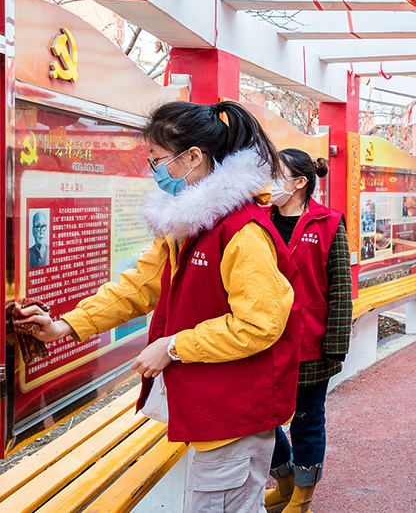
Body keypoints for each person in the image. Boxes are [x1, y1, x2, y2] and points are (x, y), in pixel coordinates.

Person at [17, 101, 300, 512]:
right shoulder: (188, 225)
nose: (153, 170)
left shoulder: (241, 232)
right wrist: (66, 326)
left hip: (236, 413)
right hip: (213, 408)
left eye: (157, 159)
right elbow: (140, 285)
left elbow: (260, 324)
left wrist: (173, 346)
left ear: (193, 157)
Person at [264, 148, 353, 513]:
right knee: (262, 417)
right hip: (264, 341)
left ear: (300, 182)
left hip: (310, 343)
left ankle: (303, 496)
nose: (269, 181)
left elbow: (341, 288)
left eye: (276, 173)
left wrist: (335, 347)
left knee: (307, 420)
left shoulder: (329, 223)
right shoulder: (258, 220)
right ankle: (284, 480)